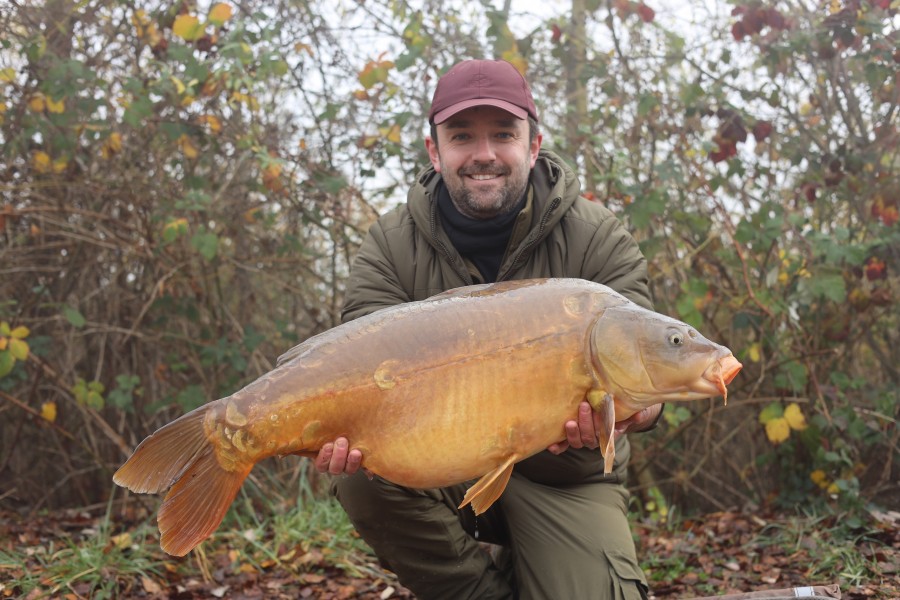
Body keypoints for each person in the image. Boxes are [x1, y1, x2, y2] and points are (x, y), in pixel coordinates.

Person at [314, 58, 663, 600]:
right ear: (434, 151)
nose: (484, 154)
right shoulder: (390, 246)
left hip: (565, 478)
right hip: (439, 467)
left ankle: (547, 563)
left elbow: (650, 367)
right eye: (461, 136)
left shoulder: (596, 237)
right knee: (362, 475)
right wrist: (336, 426)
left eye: (503, 134)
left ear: (534, 144)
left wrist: (638, 412)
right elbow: (354, 371)